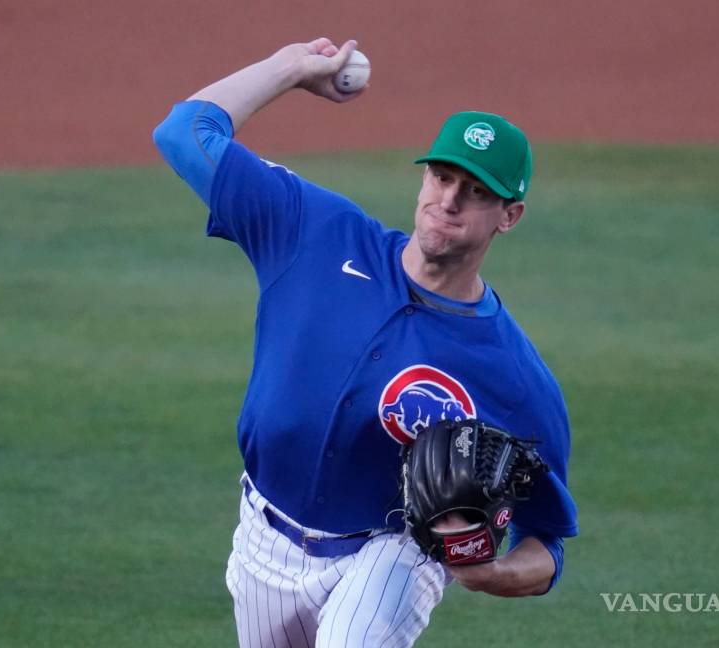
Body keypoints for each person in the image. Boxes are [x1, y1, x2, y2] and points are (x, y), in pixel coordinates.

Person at [153, 37, 578, 648]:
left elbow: (548, 540)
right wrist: (290, 69)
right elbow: (185, 132)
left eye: (477, 191)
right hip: (263, 540)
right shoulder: (315, 232)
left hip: (393, 555)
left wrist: (493, 572)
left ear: (508, 215)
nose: (449, 200)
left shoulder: (512, 374)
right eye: (442, 175)